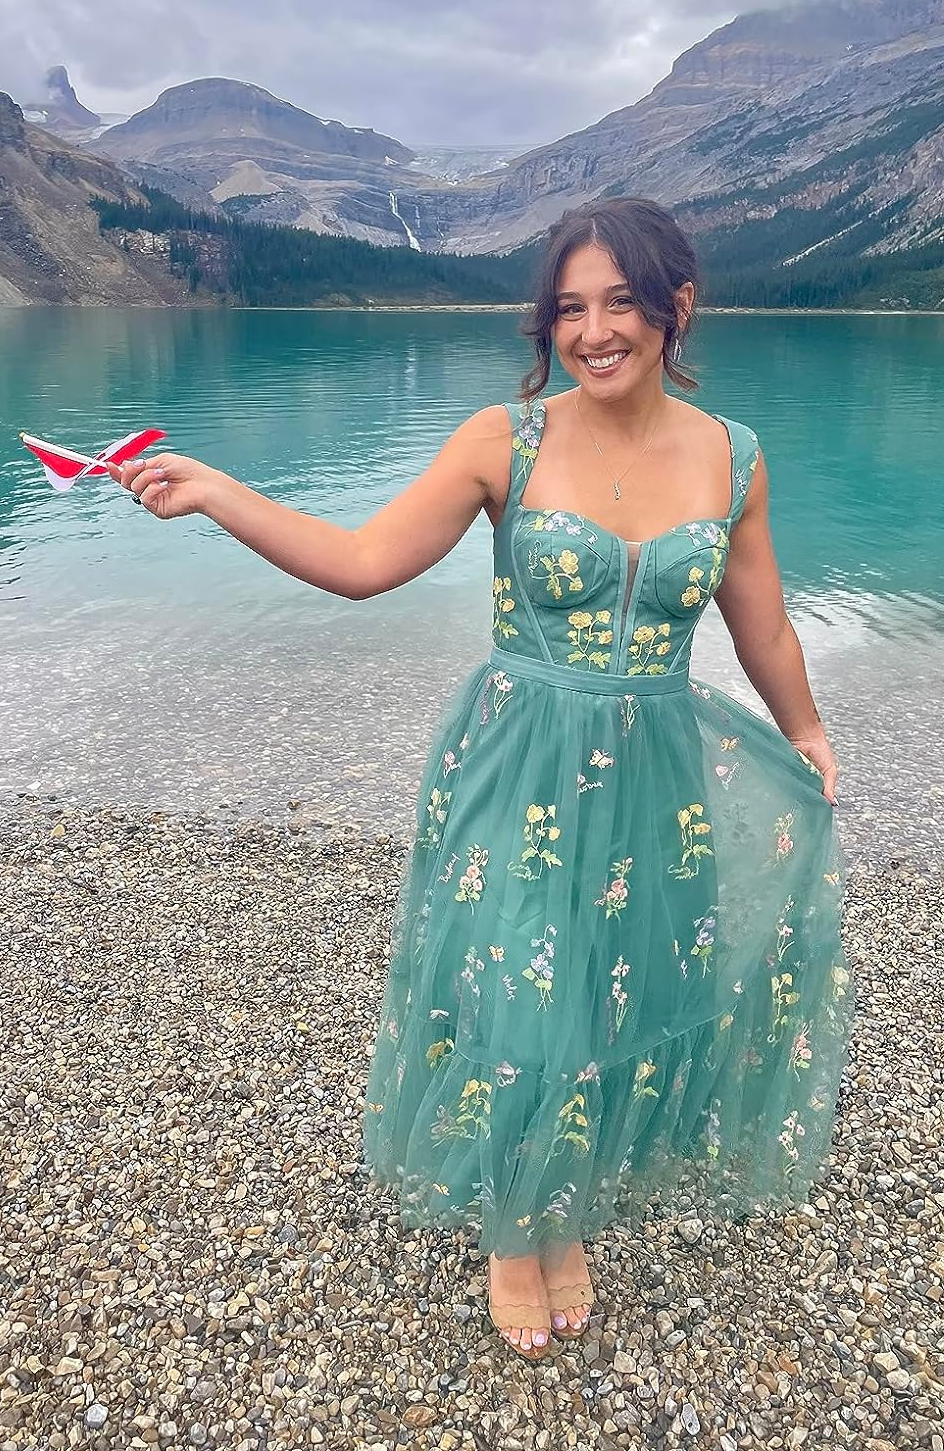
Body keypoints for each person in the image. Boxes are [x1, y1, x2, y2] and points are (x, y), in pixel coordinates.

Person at [109, 197, 855, 1363]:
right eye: (570, 307)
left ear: (679, 306)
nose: (593, 330)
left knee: (619, 986)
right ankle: (520, 1229)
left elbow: (760, 625)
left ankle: (565, 1192)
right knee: (524, 988)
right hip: (520, 759)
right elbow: (362, 563)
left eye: (620, 302)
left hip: (660, 768)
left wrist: (804, 730)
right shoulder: (501, 439)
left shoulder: (733, 456)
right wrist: (217, 494)